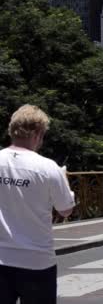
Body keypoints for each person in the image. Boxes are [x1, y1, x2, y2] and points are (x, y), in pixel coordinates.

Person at [0, 105, 75, 304]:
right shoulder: (48, 168)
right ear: (38, 134)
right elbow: (65, 210)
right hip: (36, 261)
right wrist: (64, 180)